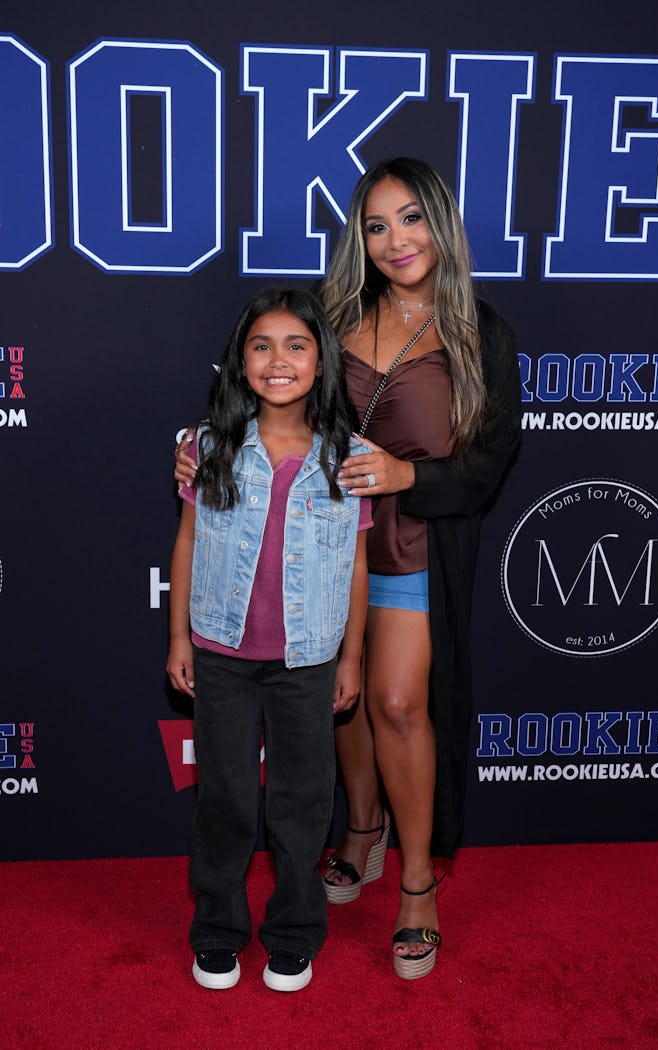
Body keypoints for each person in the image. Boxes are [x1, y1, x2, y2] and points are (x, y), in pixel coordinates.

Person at [176, 157, 521, 981]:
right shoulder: (332, 315)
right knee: (340, 703)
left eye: (410, 219)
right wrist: (198, 454)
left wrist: (413, 477)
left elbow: (494, 457)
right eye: (376, 224)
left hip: (410, 545)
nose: (395, 240)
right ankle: (359, 832)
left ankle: (415, 887)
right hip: (313, 545)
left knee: (398, 702)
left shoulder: (480, 330)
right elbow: (260, 386)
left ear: (440, 222)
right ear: (358, 240)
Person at [167, 288, 372, 993]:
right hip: (222, 653)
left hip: (309, 660)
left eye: (296, 346)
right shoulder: (210, 447)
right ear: (239, 360)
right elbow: (189, 541)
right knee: (224, 800)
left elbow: (356, 565)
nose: (277, 360)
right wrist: (180, 640)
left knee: (302, 802)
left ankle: (293, 931)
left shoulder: (350, 457)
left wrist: (350, 657)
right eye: (262, 345)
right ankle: (218, 929)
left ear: (321, 362)